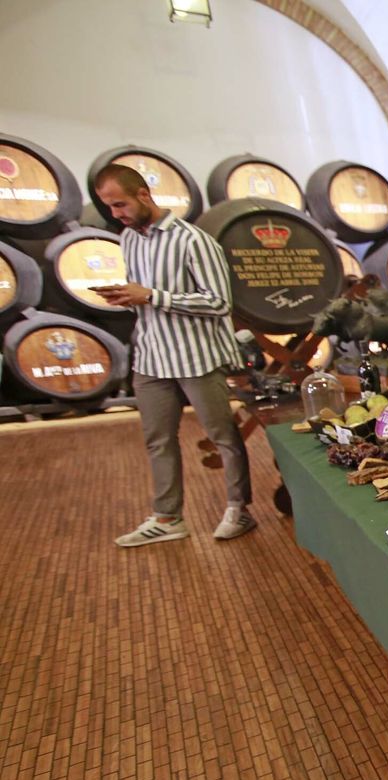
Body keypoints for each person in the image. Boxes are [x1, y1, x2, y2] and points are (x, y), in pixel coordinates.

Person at [93, 163, 255, 546]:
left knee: (223, 436)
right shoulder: (128, 238)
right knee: (157, 439)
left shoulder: (194, 241)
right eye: (109, 208)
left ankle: (239, 510)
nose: (116, 214)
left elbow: (218, 302)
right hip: (150, 356)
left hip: (196, 356)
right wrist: (127, 298)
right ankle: (168, 518)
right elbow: (142, 293)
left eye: (120, 205)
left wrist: (151, 296)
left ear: (144, 195)